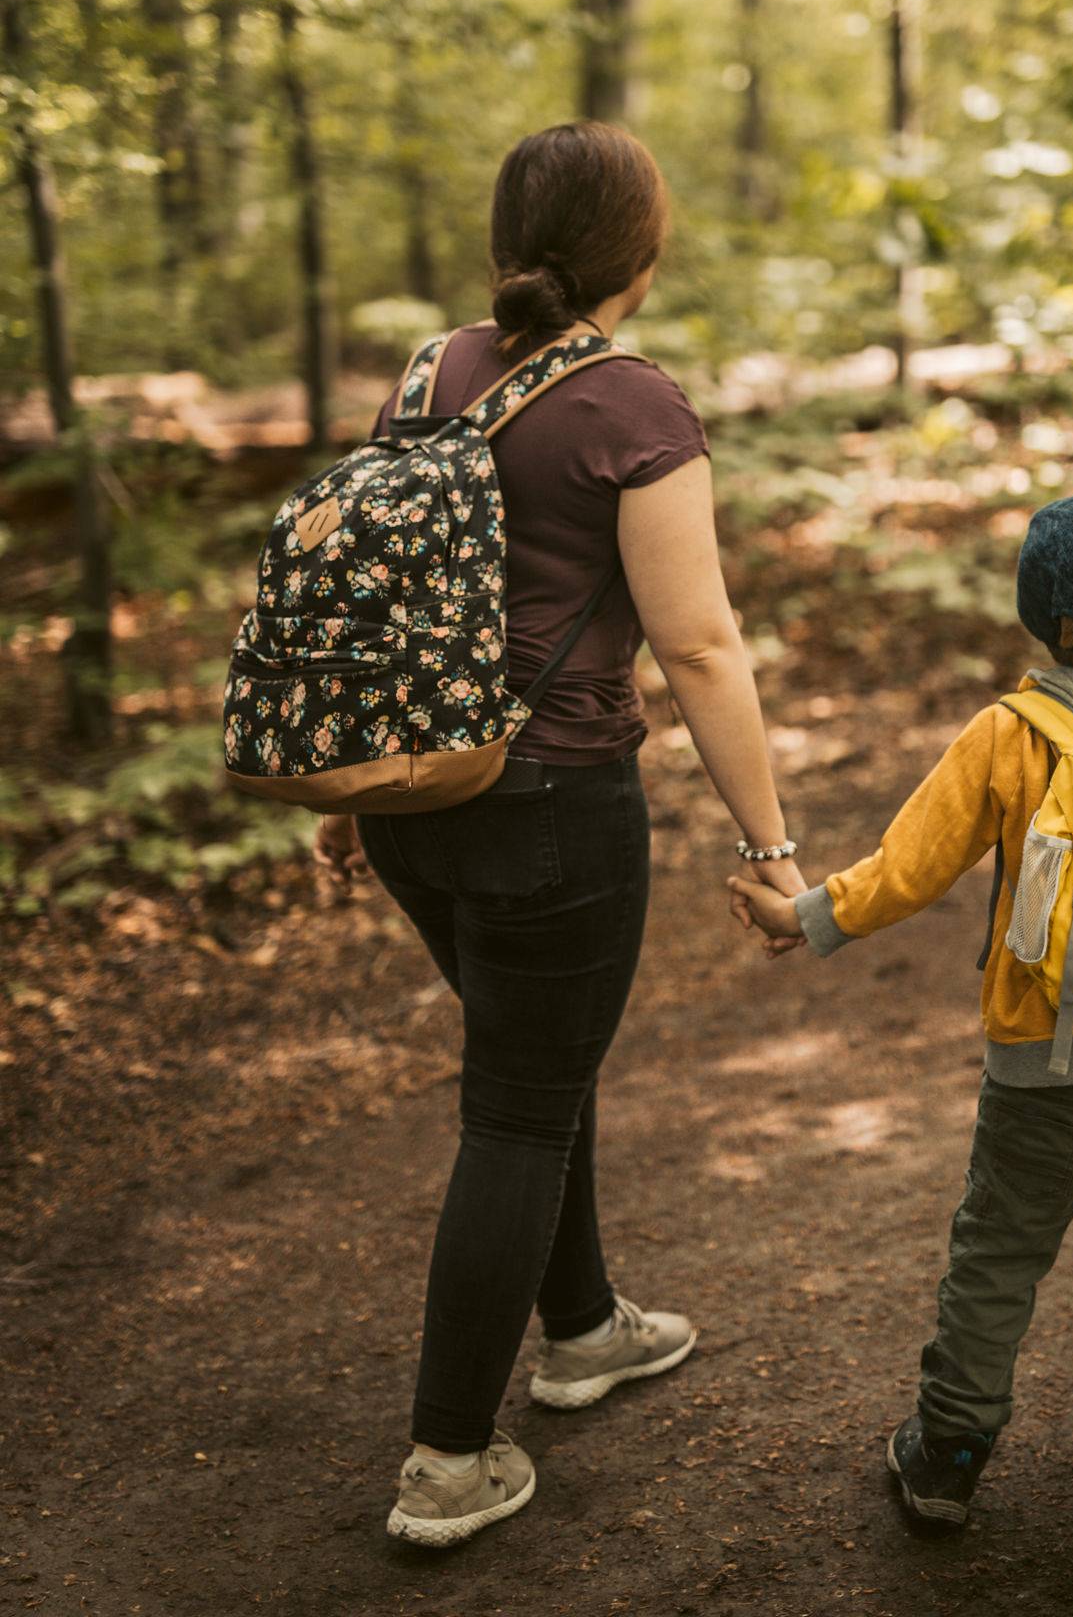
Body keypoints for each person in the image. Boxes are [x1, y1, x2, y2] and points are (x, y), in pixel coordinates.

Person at [316, 121, 804, 1547]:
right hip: (549, 806)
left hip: (413, 793)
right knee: (520, 1107)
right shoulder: (631, 405)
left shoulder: (429, 372)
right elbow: (698, 646)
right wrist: (770, 844)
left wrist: (345, 794)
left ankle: (585, 1327)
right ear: (639, 255)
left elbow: (375, 601)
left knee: (535, 1061)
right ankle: (447, 1459)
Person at [730, 490, 1073, 1532]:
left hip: (1041, 1060)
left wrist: (805, 917)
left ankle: (947, 1454)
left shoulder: (1010, 733)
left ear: (1041, 617)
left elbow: (909, 864)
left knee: (996, 1257)